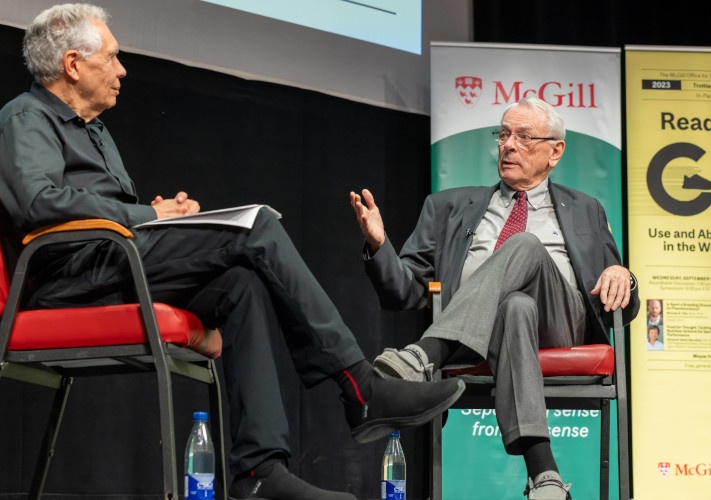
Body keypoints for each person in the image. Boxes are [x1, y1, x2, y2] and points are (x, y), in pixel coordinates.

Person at [0, 5, 466, 500]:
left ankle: (258, 472)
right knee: (255, 226)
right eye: (113, 58)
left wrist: (159, 211)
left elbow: (102, 210)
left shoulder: (94, 130)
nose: (122, 70)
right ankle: (361, 387)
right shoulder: (25, 116)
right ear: (73, 64)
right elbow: (37, 202)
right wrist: (149, 218)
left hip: (113, 261)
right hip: (68, 278)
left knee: (240, 286)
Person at [351, 97, 640, 500]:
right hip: (485, 331)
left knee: (525, 245)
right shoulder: (448, 207)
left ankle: (426, 353)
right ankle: (545, 476)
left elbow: (619, 296)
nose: (509, 145)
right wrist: (380, 247)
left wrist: (621, 272)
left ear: (555, 151)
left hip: (562, 323)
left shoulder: (585, 208)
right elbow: (405, 292)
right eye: (503, 135)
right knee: (515, 307)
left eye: (524, 137)